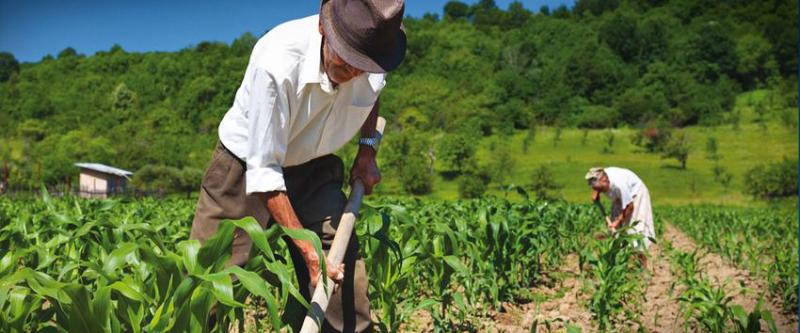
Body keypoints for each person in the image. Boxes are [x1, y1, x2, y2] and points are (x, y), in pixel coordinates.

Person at [189, 0, 406, 332]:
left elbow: (372, 95)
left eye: (364, 65)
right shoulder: (276, 63)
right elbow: (264, 174)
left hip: (315, 164)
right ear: (323, 27)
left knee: (340, 268)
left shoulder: (376, 55)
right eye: (347, 60)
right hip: (245, 168)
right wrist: (308, 250)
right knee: (213, 282)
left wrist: (366, 152)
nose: (355, 73)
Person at [585, 167, 655, 265]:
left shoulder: (619, 184)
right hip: (619, 196)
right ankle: (617, 261)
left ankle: (642, 266)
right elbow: (596, 181)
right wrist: (596, 192)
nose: (597, 190)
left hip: (636, 195)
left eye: (599, 188)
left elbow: (630, 206)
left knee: (635, 231)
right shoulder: (601, 175)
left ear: (604, 181)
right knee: (615, 232)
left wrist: (617, 221)